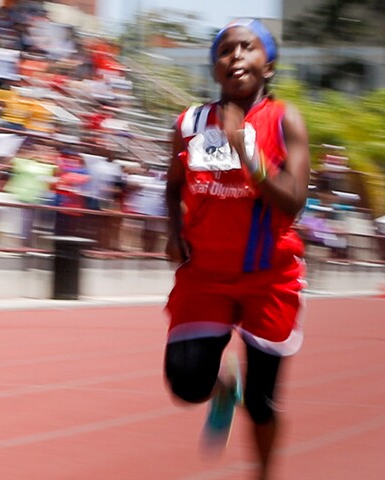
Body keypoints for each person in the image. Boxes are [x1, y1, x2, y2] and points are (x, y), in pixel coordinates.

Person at [163, 20, 309, 479]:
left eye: (248, 47)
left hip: (269, 276)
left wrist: (246, 151)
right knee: (187, 384)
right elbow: (172, 185)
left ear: (269, 65)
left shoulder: (284, 119)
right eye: (225, 50)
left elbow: (294, 201)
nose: (236, 56)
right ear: (215, 68)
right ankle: (224, 388)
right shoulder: (190, 123)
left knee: (263, 402)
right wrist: (173, 230)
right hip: (206, 273)